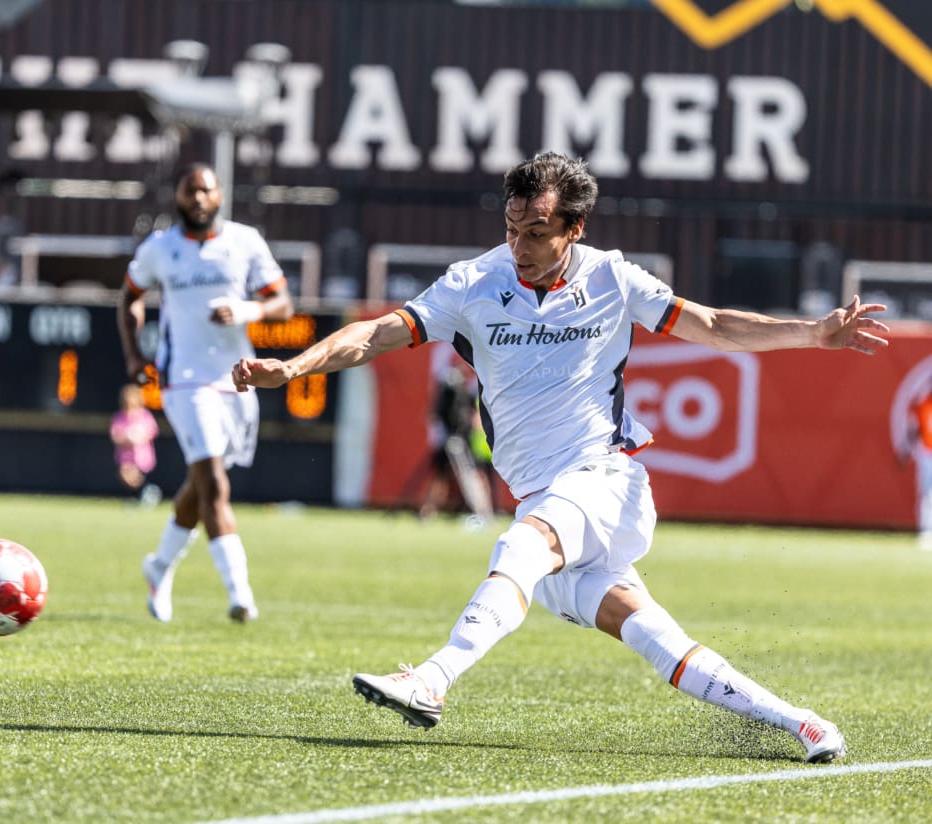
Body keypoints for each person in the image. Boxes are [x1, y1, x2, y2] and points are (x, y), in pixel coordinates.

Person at [231, 152, 889, 762]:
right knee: (656, 641)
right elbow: (377, 332)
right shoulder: (473, 282)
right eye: (512, 227)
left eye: (537, 232)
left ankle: (431, 679)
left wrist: (814, 333)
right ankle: (802, 724)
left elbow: (712, 325)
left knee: (520, 549)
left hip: (607, 483)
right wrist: (294, 368)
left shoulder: (614, 278)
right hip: (547, 503)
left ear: (574, 228)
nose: (520, 245)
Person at [118, 162, 294, 623]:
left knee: (200, 486)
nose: (198, 198)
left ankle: (159, 566)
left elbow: (284, 303)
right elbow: (129, 296)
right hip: (184, 379)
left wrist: (246, 309)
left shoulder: (244, 242)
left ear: (219, 196)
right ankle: (240, 595)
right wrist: (136, 357)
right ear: (178, 196)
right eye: (189, 190)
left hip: (237, 378)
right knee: (215, 482)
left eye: (206, 190)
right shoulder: (160, 248)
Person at [418, 342, 495, 526]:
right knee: (452, 475)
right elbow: (440, 412)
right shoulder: (451, 383)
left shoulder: (468, 386)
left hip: (463, 438)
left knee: (468, 476)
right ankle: (429, 511)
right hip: (455, 437)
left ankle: (482, 513)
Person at [109, 383, 161, 506]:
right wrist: (126, 438)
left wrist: (139, 437)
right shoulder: (119, 416)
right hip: (125, 456)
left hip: (141, 456)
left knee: (135, 476)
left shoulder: (145, 416)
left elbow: (152, 431)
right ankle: (142, 494)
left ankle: (145, 493)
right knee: (127, 474)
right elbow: (115, 435)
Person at [898, 382, 932, 550]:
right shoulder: (923, 405)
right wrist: (905, 453)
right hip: (928, 455)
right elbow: (915, 431)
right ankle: (927, 531)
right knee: (927, 494)